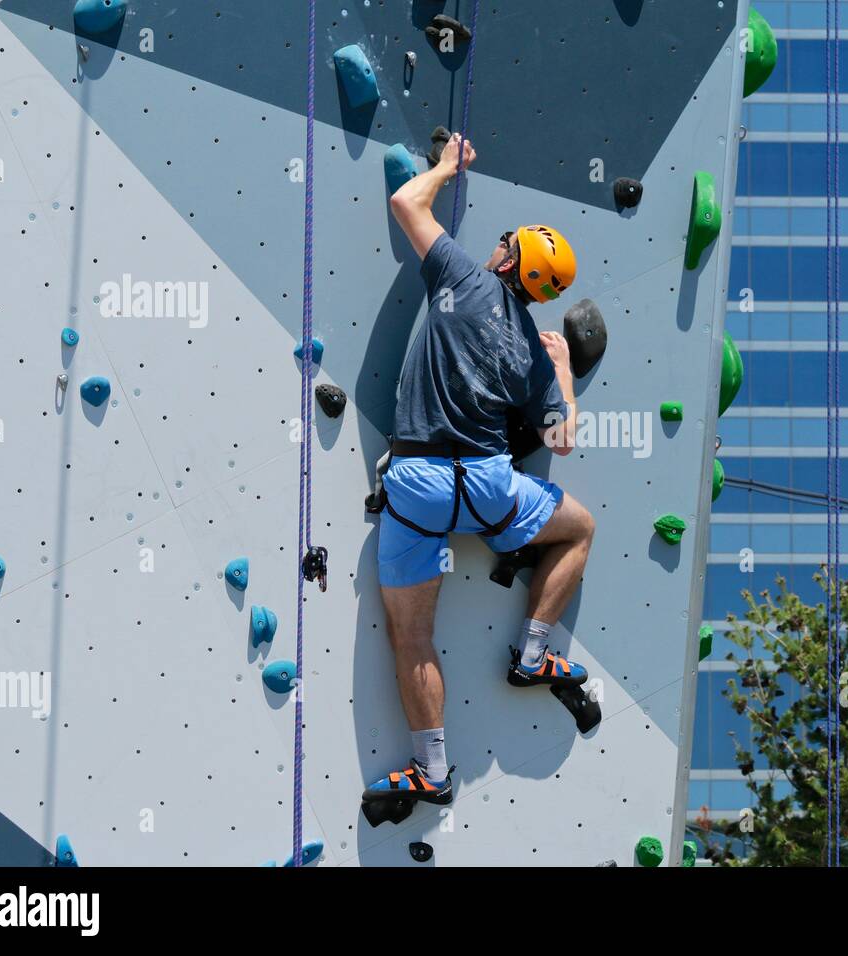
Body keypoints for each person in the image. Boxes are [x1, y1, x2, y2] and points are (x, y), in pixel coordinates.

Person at [362, 134, 597, 817]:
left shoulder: (461, 277)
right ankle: (532, 654)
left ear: (508, 259)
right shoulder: (529, 348)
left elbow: (406, 200)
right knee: (579, 528)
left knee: (411, 635)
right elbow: (561, 439)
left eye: (505, 240)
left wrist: (445, 167)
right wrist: (560, 377)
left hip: (419, 488)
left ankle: (432, 769)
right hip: (491, 489)